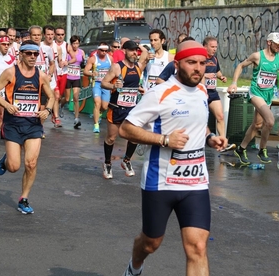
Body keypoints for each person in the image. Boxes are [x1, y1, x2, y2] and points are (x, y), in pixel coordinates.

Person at [119, 40, 227, 276]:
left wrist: (210, 138)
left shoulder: (201, 91)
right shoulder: (159, 94)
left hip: (196, 182)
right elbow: (126, 129)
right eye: (191, 63)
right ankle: (134, 267)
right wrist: (164, 140)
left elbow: (197, 125)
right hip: (161, 181)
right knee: (151, 243)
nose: (198, 68)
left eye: (202, 63)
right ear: (177, 65)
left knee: (198, 247)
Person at [0, 40, 55, 214]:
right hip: (13, 125)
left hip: (33, 125)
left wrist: (47, 110)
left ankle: (23, 199)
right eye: (29, 54)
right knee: (14, 167)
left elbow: (52, 96)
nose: (33, 57)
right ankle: (7, 159)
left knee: (31, 163)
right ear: (21, 54)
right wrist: (6, 105)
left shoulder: (40, 76)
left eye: (35, 54)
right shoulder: (11, 73)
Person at [228, 32, 279, 164]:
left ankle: (241, 148)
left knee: (257, 125)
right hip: (256, 93)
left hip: (268, 94)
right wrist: (234, 83)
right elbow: (240, 66)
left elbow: (275, 77)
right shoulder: (257, 56)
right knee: (270, 121)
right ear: (269, 42)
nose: (278, 47)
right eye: (277, 45)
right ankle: (262, 149)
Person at [100, 40, 147, 179]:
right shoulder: (117, 67)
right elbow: (104, 83)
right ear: (124, 51)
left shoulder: (138, 66)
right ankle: (107, 164)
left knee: (134, 136)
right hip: (116, 108)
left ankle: (126, 160)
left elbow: (145, 52)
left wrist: (137, 89)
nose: (135, 53)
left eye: (136, 51)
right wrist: (114, 86)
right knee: (111, 138)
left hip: (132, 109)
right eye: (132, 50)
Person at [83, 42, 113, 133]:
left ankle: (98, 114)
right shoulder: (93, 59)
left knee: (104, 106)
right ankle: (96, 125)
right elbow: (85, 71)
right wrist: (92, 73)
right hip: (96, 84)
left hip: (106, 85)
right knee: (97, 103)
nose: (104, 52)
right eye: (102, 50)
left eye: (106, 51)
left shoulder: (110, 58)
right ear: (98, 50)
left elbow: (114, 70)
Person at [64, 35, 85, 129]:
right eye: (74, 43)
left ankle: (76, 119)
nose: (75, 45)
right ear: (71, 43)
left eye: (77, 43)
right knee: (67, 99)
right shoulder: (67, 52)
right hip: (68, 77)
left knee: (76, 97)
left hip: (76, 77)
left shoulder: (82, 52)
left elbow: (83, 64)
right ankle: (61, 105)